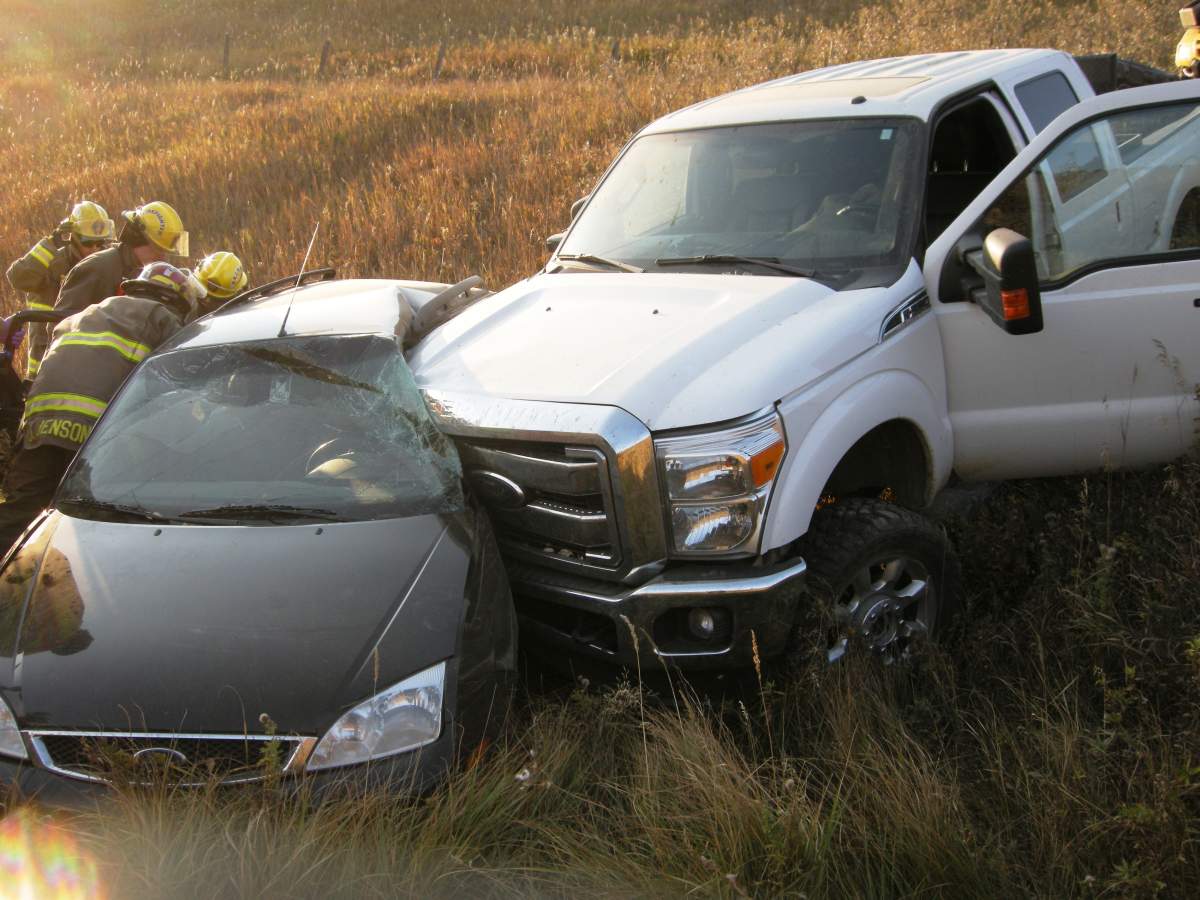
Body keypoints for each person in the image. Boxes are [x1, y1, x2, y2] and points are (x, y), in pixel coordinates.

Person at [0, 262, 204, 552]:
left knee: (24, 509)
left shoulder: (90, 311)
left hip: (41, 426)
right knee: (103, 521)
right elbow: (186, 385)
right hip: (94, 437)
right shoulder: (162, 317)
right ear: (179, 301)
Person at [5, 201, 116, 379]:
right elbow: (17, 278)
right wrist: (50, 243)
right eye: (89, 242)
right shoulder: (52, 262)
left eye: (101, 243)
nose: (95, 248)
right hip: (46, 365)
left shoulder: (109, 265)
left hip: (92, 362)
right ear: (74, 237)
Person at [52, 201, 188, 322]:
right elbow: (59, 323)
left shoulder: (145, 273)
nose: (163, 258)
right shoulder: (97, 268)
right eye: (159, 250)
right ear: (137, 240)